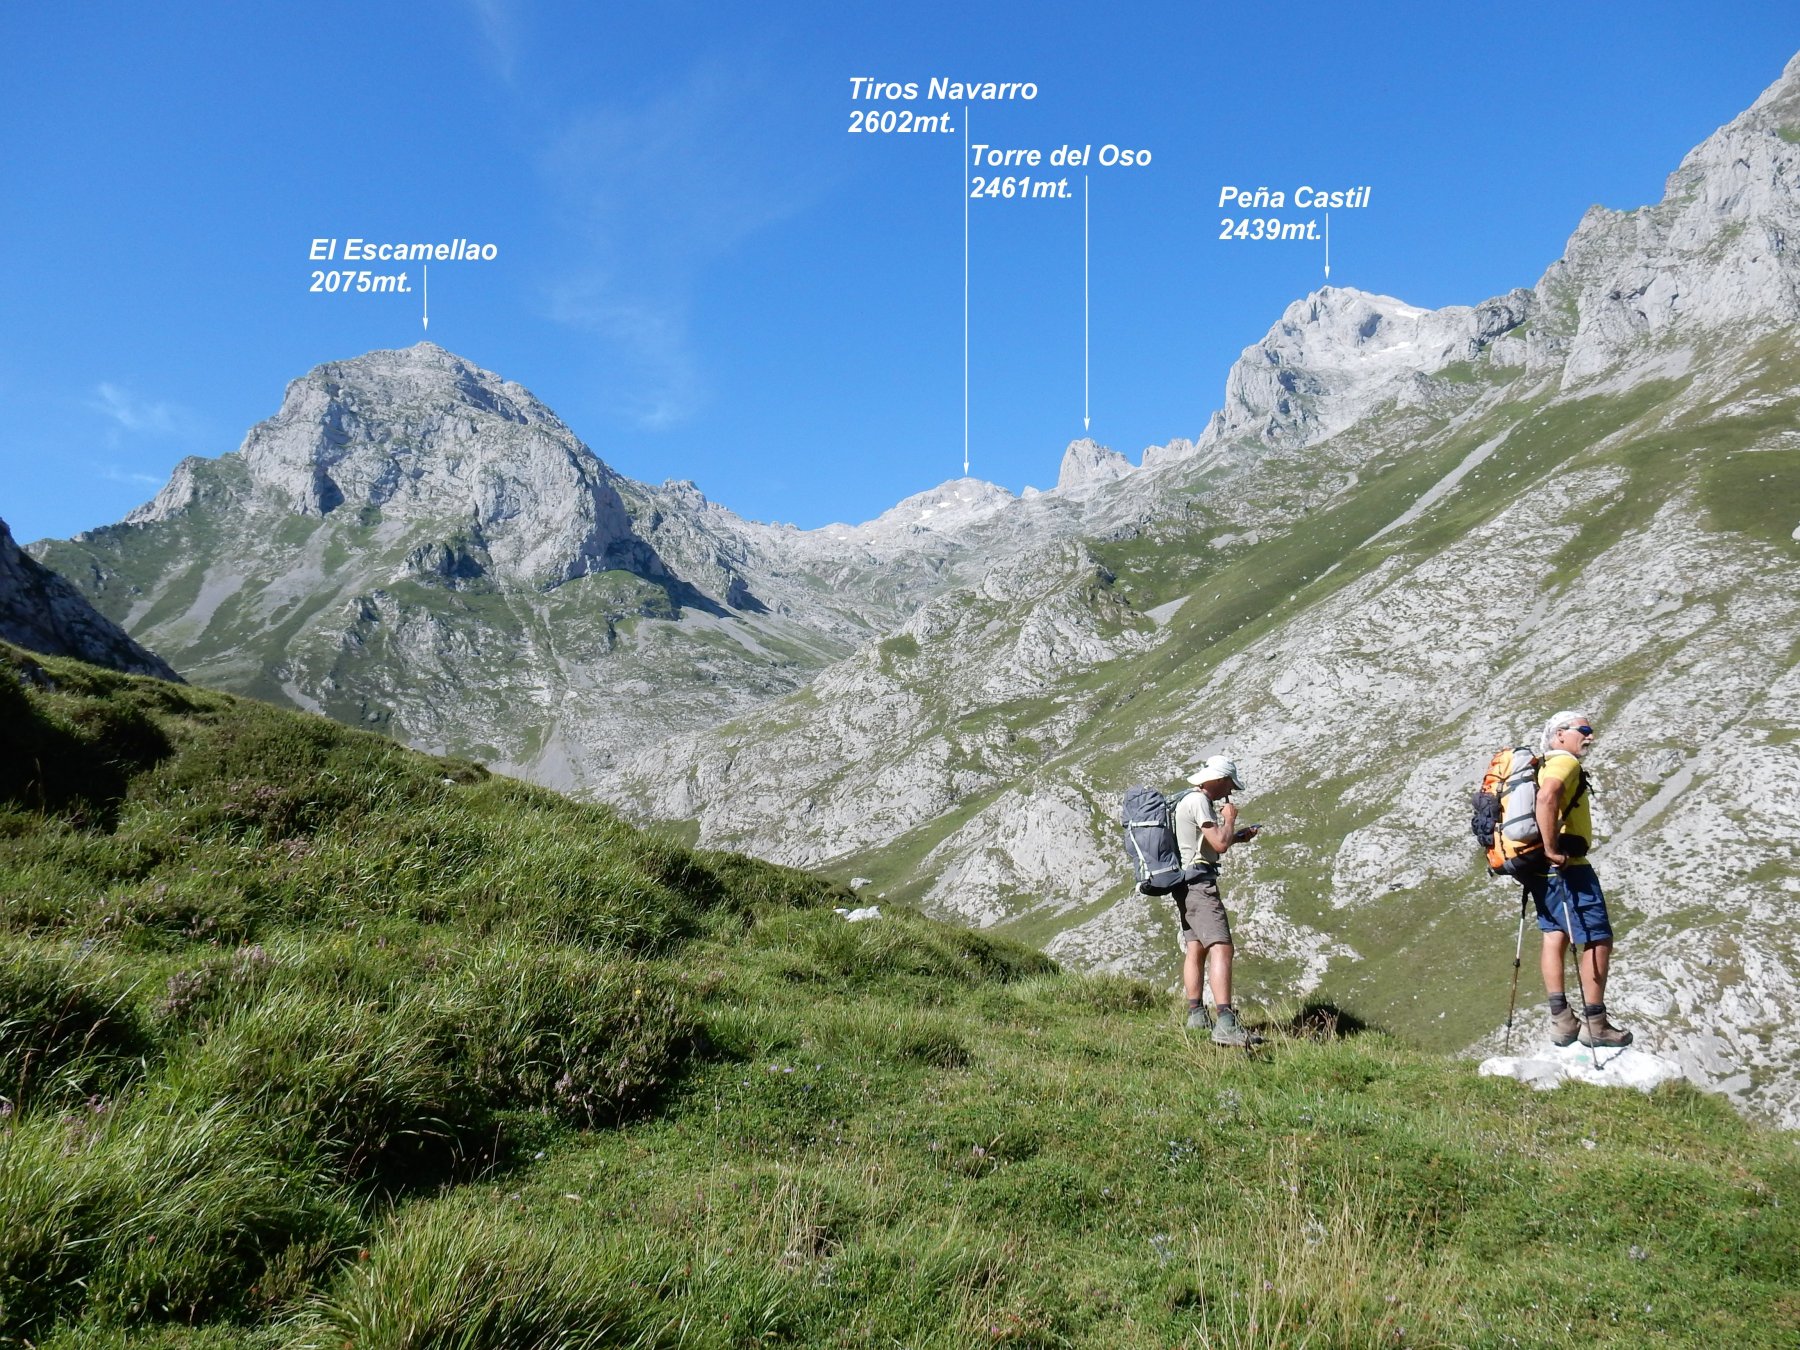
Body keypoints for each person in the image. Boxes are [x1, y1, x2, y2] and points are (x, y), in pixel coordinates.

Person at [1526, 710, 1631, 1049]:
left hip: (1540, 869)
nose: (1590, 736)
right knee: (1599, 938)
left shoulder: (1541, 765)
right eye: (1583, 730)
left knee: (1555, 934)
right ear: (1559, 735)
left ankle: (1562, 1020)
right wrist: (1554, 849)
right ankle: (1595, 1024)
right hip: (1569, 866)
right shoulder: (1564, 763)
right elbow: (1547, 797)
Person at [1170, 755, 1262, 1046]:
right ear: (1218, 779)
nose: (1230, 792)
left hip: (1185, 883)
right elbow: (1219, 844)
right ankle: (1225, 1022)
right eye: (1229, 785)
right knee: (1222, 947)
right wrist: (1230, 819)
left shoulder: (1188, 801)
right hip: (1200, 885)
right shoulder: (1199, 802)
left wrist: (1236, 836)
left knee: (1195, 947)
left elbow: (1212, 842)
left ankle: (1196, 1014)